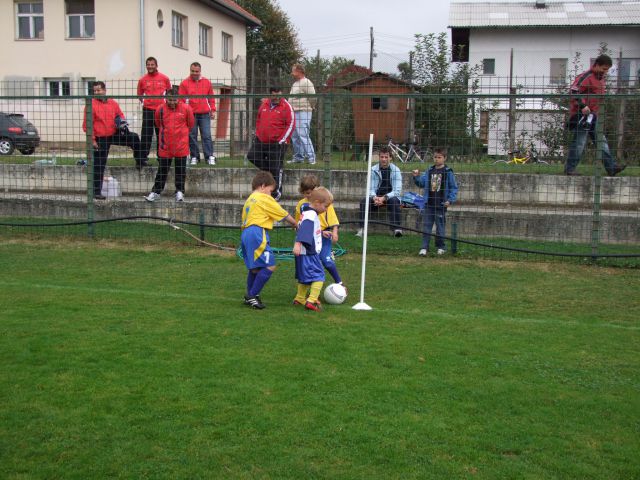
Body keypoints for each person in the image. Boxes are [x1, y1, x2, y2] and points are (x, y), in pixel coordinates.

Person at [241, 171, 297, 310]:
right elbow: (283, 214)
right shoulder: (263, 198)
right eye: (270, 191)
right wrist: (296, 224)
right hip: (257, 232)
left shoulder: (250, 199)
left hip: (246, 233)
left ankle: (251, 295)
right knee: (270, 265)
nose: (270, 194)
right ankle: (252, 295)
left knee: (255, 268)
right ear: (263, 186)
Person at [82, 80, 145, 200]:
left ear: (104, 90)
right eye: (94, 91)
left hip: (114, 132)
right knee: (99, 164)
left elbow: (120, 115)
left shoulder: (113, 103)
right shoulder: (90, 105)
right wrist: (93, 140)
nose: (96, 92)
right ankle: (96, 191)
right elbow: (87, 125)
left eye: (99, 90)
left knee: (134, 137)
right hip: (100, 137)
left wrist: (121, 122)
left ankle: (140, 160)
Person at [565, 54, 625, 177]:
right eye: (604, 68)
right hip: (581, 115)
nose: (605, 71)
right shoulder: (586, 77)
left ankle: (611, 168)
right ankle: (570, 169)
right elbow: (573, 91)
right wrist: (582, 106)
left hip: (593, 116)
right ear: (596, 65)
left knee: (601, 142)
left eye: (607, 69)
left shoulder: (601, 78)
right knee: (580, 143)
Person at [144, 86, 195, 203]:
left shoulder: (186, 109)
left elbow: (190, 124)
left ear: (179, 99)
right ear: (166, 99)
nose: (172, 102)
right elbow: (158, 123)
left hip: (181, 146)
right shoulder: (160, 109)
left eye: (175, 100)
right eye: (170, 100)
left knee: (180, 170)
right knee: (162, 170)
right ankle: (156, 192)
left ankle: (179, 192)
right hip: (165, 146)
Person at [246, 85, 295, 201]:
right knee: (251, 156)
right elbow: (258, 120)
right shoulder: (264, 104)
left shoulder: (286, 106)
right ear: (270, 95)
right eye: (274, 95)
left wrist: (282, 140)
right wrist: (258, 133)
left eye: (279, 95)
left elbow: (291, 124)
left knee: (275, 168)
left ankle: (276, 193)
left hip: (277, 143)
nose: (276, 98)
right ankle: (271, 170)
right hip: (261, 140)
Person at [295, 175, 344, 287]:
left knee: (326, 261)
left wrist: (335, 232)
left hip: (324, 235)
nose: (310, 195)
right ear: (303, 192)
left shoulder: (325, 203)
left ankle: (339, 283)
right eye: (307, 193)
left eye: (313, 191)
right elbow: (300, 224)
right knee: (309, 265)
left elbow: (333, 219)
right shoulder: (301, 205)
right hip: (309, 238)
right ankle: (308, 293)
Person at [293, 187, 334, 311]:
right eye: (325, 206)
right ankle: (311, 301)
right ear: (316, 203)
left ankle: (300, 298)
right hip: (308, 252)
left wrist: (321, 232)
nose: (326, 209)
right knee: (319, 276)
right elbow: (305, 230)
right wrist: (298, 244)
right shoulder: (311, 215)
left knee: (305, 277)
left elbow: (309, 230)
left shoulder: (307, 212)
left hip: (303, 252)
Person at [412, 148, 459, 256]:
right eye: (435, 157)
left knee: (440, 227)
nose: (437, 159)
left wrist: (450, 200)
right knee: (426, 226)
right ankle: (424, 247)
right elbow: (422, 183)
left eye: (439, 157)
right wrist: (416, 177)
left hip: (441, 204)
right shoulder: (429, 170)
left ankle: (441, 247)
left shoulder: (448, 172)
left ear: (444, 158)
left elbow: (453, 188)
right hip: (429, 204)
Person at [356, 146, 403, 237]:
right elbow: (370, 188)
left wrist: (384, 198)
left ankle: (396, 229)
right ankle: (362, 229)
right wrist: (375, 197)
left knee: (394, 201)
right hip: (377, 197)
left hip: (390, 197)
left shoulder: (396, 170)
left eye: (386, 157)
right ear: (379, 157)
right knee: (364, 202)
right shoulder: (373, 170)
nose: (384, 159)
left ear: (390, 158)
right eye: (382, 157)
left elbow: (397, 191)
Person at [178, 62, 216, 166]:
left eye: (197, 71)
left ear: (200, 71)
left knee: (207, 135)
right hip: (190, 115)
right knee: (191, 136)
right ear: (190, 70)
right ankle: (194, 156)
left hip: (204, 114)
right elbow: (181, 100)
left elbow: (211, 97)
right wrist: (183, 114)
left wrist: (212, 110)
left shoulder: (207, 82)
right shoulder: (184, 83)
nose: (194, 73)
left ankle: (209, 157)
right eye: (192, 71)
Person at [137, 56, 171, 165]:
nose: (150, 66)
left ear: (156, 65)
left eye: (152, 64)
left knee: (161, 134)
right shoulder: (142, 80)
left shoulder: (164, 78)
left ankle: (161, 157)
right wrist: (146, 102)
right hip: (148, 110)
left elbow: (169, 93)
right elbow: (139, 95)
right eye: (148, 64)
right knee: (146, 134)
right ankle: (143, 158)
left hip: (161, 110)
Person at [288, 63, 317, 165]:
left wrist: (311, 107)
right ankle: (298, 157)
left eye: (293, 70)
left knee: (303, 134)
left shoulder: (306, 82)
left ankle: (311, 157)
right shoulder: (295, 83)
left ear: (299, 71)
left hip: (303, 111)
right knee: (295, 135)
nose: (292, 73)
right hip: (294, 111)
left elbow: (313, 97)